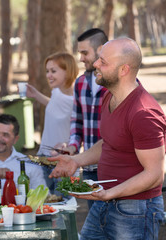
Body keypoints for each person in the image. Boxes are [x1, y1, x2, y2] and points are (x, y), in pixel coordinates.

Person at [49, 38, 166, 240]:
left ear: (123, 70)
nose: (95, 64)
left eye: (103, 62)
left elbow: (155, 174)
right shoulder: (108, 96)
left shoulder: (143, 113)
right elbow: (110, 142)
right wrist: (76, 160)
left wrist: (110, 193)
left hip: (135, 210)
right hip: (105, 201)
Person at [56, 28, 108, 208]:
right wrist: (72, 146)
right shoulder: (80, 83)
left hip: (112, 168)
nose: (80, 58)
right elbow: (77, 121)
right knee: (96, 222)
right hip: (89, 169)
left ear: (101, 50)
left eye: (84, 53)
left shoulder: (115, 83)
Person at [26, 52, 79, 193]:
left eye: (53, 71)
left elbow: (80, 127)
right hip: (44, 157)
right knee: (44, 203)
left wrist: (68, 145)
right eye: (47, 71)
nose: (48, 75)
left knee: (64, 206)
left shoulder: (76, 99)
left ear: (68, 71)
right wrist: (36, 95)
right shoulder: (56, 92)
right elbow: (55, 107)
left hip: (63, 161)